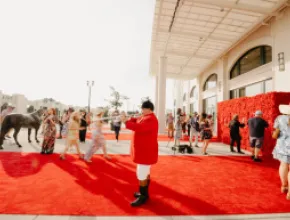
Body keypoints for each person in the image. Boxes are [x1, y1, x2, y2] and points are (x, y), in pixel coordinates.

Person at [121, 100, 158, 207]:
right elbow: (135, 120)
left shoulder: (151, 119)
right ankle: (144, 193)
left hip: (145, 152)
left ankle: (143, 196)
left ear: (148, 109)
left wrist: (125, 121)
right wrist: (127, 118)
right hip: (143, 151)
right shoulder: (145, 117)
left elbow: (139, 127)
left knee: (141, 174)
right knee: (144, 173)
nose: (141, 111)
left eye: (143, 109)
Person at [272, 103, 290, 200]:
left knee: (283, 165)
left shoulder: (280, 118)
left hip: (283, 146)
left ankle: (284, 186)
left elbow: (276, 132)